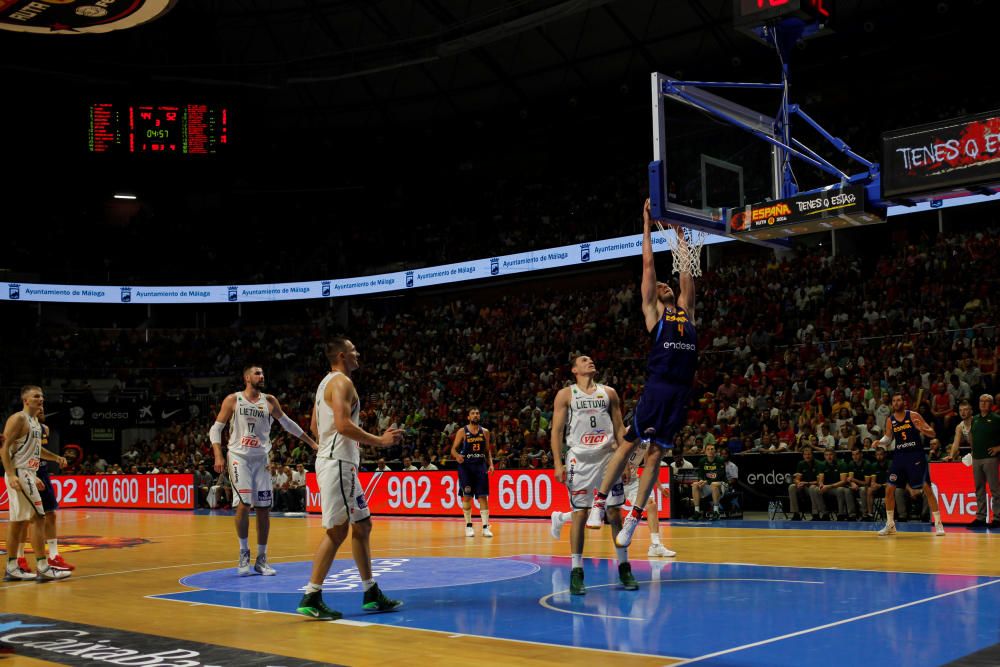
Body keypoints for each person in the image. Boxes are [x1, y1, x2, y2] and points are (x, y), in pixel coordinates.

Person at [588, 199, 698, 548]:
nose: (665, 285)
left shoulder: (687, 313)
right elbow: (649, 265)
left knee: (656, 456)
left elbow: (685, 274)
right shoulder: (654, 314)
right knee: (630, 443)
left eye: (669, 285)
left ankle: (635, 522)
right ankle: (598, 502)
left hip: (680, 392)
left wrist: (681, 236)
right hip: (658, 386)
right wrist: (647, 223)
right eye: (661, 286)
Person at [297, 337, 404, 620]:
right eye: (354, 351)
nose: (358, 354)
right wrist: (380, 441)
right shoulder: (342, 383)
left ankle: (370, 592)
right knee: (337, 531)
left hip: (338, 462)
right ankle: (311, 595)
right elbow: (343, 425)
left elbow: (315, 427)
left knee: (362, 525)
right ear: (342, 355)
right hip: (338, 464)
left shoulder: (325, 383)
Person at [209, 365, 319, 576]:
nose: (262, 376)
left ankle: (261, 559)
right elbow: (216, 428)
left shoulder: (269, 401)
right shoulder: (233, 399)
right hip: (238, 457)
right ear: (246, 377)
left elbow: (287, 424)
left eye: (263, 373)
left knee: (263, 508)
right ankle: (243, 553)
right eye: (257, 373)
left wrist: (311, 443)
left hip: (261, 460)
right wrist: (218, 454)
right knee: (244, 503)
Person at [549, 355, 640, 595]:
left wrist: (628, 462)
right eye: (584, 360)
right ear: (574, 370)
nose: (590, 361)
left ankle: (624, 567)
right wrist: (557, 462)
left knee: (614, 512)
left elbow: (620, 430)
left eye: (591, 359)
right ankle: (576, 571)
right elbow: (557, 431)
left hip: (608, 457)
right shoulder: (566, 395)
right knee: (580, 514)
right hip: (579, 459)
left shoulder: (609, 393)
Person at [2, 386, 70, 581]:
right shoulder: (19, 418)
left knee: (17, 523)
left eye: (42, 396)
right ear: (26, 400)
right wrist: (12, 474)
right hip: (19, 473)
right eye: (36, 396)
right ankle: (43, 567)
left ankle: (12, 567)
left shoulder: (35, 422)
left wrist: (55, 458)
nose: (41, 399)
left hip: (27, 473)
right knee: (39, 518)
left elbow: (36, 451)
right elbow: (4, 447)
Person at [874, 393, 945, 536]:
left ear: (903, 402)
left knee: (926, 487)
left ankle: (938, 523)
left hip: (916, 455)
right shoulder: (890, 420)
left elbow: (932, 433)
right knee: (889, 489)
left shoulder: (913, 415)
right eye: (893, 401)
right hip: (899, 457)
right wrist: (880, 442)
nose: (896, 402)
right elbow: (888, 437)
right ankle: (890, 524)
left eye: (898, 400)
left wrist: (922, 429)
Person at [34, 409, 74, 571]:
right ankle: (19, 559)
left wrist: (57, 458)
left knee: (50, 513)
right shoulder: (21, 425)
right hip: (26, 471)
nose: (42, 409)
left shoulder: (45, 429)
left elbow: (39, 451)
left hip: (41, 471)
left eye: (43, 404)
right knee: (27, 520)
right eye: (38, 404)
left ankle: (53, 555)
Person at [451, 407, 495, 538]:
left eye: (477, 413)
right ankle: (468, 526)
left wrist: (491, 464)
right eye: (473, 413)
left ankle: (485, 527)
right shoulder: (462, 431)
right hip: (466, 468)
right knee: (467, 496)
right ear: (468, 417)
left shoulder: (485, 432)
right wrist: (457, 456)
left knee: (483, 496)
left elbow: (487, 451)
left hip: (480, 466)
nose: (475, 415)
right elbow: (453, 450)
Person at [967, 394, 1000, 528]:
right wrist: (973, 451)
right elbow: (972, 437)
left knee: (995, 489)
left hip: (990, 458)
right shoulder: (974, 419)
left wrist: (998, 448)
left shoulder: (997, 419)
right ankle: (980, 517)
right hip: (977, 458)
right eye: (981, 401)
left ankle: (998, 517)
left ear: (991, 404)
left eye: (987, 401)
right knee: (979, 488)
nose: (983, 403)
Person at [690, 443, 727, 520]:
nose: (710, 451)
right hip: (708, 485)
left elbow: (719, 476)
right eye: (708, 449)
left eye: (712, 449)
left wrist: (706, 482)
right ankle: (697, 512)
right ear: (705, 451)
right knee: (694, 485)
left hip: (722, 485)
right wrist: (700, 481)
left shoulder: (720, 460)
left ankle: (716, 512)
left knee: (714, 484)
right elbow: (700, 474)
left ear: (715, 451)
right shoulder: (702, 461)